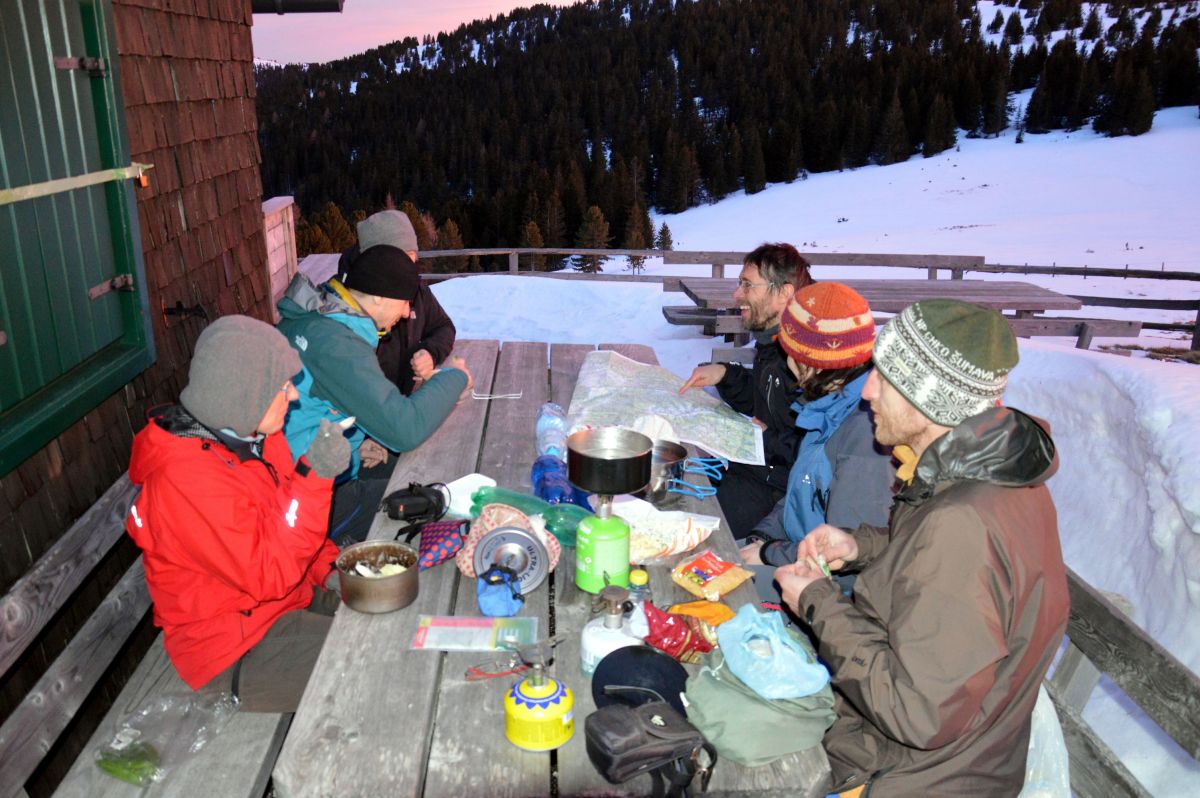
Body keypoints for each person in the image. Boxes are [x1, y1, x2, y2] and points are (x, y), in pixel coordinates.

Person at [776, 299, 1069, 796]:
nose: (867, 392)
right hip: (950, 754)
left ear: (929, 399)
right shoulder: (987, 478)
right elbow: (950, 571)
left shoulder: (961, 525)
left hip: (905, 777)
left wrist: (817, 601)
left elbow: (919, 714)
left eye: (885, 380)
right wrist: (862, 545)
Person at [125, 316, 351, 711]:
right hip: (235, 649)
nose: (294, 398)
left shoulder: (256, 438)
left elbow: (285, 523)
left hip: (285, 604)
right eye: (284, 387)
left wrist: (330, 571)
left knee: (386, 623)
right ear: (245, 394)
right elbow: (270, 573)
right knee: (365, 669)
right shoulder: (185, 480)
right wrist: (315, 477)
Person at [277, 232, 472, 545]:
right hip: (304, 503)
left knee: (416, 479)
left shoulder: (320, 320)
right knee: (434, 506)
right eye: (406, 300)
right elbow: (405, 428)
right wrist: (455, 377)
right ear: (379, 296)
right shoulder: (337, 345)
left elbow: (311, 414)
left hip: (308, 470)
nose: (409, 311)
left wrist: (354, 448)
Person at [738, 283, 893, 591]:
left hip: (823, 591)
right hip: (791, 554)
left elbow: (843, 556)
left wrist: (769, 555)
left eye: (789, 352)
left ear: (809, 361)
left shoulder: (865, 437)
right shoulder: (824, 406)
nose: (787, 362)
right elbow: (802, 493)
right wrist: (764, 536)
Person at [678, 243, 814, 539]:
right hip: (752, 468)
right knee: (667, 480)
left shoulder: (810, 359)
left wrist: (766, 438)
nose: (737, 294)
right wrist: (725, 374)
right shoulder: (773, 340)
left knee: (684, 526)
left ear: (784, 293)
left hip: (779, 491)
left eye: (747, 285)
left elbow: (818, 450)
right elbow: (764, 398)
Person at [339, 210, 458, 396]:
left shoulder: (414, 288)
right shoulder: (343, 309)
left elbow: (443, 326)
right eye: (406, 256)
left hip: (401, 404)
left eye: (414, 256)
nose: (413, 265)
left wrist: (430, 353)